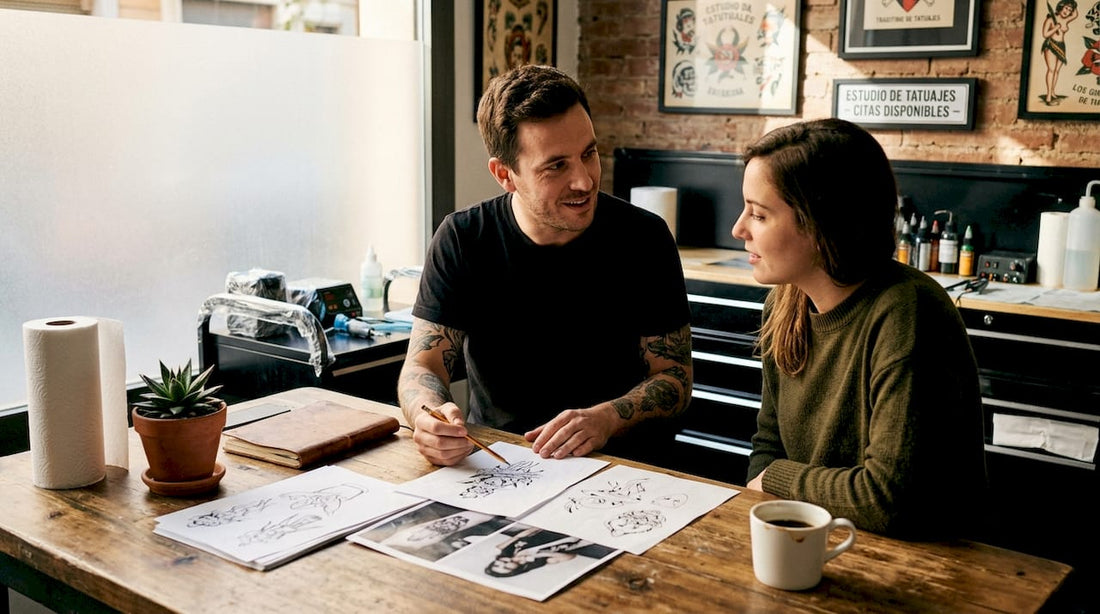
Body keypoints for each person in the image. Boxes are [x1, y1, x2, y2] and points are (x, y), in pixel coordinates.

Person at [398, 65, 693, 466]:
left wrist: (606, 419)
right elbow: (423, 364)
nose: (585, 181)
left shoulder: (644, 238)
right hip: (500, 464)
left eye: (588, 154)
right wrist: (427, 417)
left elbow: (675, 377)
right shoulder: (463, 239)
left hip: (626, 468)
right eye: (557, 166)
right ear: (505, 174)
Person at [737, 118, 986, 538]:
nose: (738, 228)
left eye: (759, 215)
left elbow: (887, 499)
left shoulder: (908, 312)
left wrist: (778, 481)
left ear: (820, 225)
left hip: (928, 561)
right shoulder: (785, 302)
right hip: (819, 540)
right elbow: (768, 445)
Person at [1041, 0, 1078, 105]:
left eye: (1070, 10)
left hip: (1061, 46)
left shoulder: (1065, 20)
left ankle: (1052, 91)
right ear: (1061, 6)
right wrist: (1055, 28)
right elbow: (1045, 34)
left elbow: (1076, 14)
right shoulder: (1050, 19)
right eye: (1066, 8)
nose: (1068, 11)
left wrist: (1073, 4)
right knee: (1051, 70)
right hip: (1051, 45)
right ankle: (1048, 97)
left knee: (1057, 71)